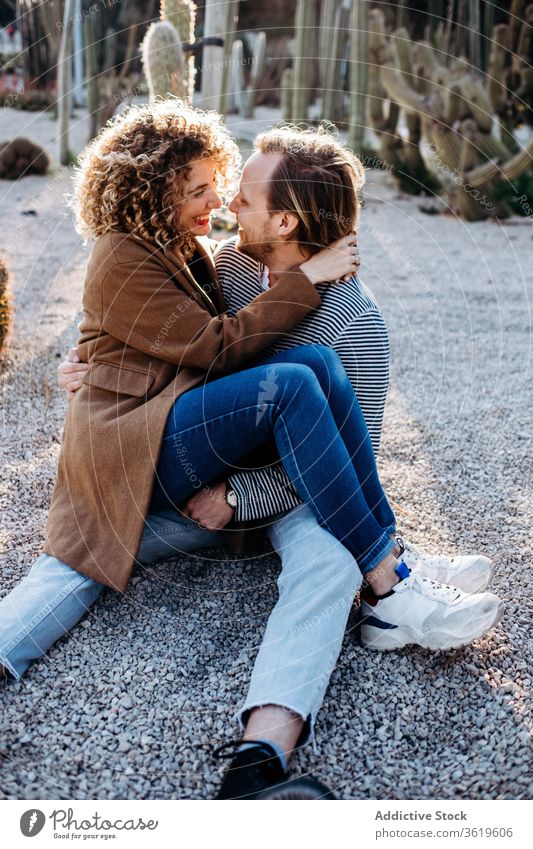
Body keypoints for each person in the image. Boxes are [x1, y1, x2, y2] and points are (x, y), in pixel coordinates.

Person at [50, 119, 503, 799]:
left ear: (286, 220)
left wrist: (243, 499)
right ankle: (394, 563)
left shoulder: (356, 322)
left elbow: (355, 452)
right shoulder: (226, 266)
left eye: (244, 196)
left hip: (292, 484)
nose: (229, 203)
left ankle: (264, 751)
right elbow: (183, 340)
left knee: (325, 557)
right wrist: (92, 366)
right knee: (73, 561)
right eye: (218, 191)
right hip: (197, 467)